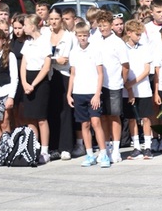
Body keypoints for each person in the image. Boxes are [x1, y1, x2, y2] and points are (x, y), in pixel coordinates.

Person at [66, 21, 108, 167]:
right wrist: (69, 93)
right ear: (76, 36)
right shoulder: (73, 52)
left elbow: (100, 74)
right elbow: (72, 74)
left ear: (89, 35)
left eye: (85, 35)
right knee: (84, 124)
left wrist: (97, 94)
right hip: (79, 92)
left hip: (92, 92)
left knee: (96, 122)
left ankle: (103, 154)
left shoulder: (95, 50)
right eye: (80, 35)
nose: (82, 38)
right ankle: (89, 154)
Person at [94, 10, 130, 166]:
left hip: (114, 84)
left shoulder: (118, 42)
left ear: (111, 25)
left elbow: (125, 65)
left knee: (115, 116)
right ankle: (106, 146)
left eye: (105, 25)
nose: (102, 28)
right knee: (103, 117)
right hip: (99, 85)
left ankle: (116, 148)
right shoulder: (96, 40)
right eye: (100, 25)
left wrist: (122, 80)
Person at [19, 14, 53, 164]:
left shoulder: (45, 42)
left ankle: (45, 151)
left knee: (41, 118)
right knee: (30, 117)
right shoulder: (28, 43)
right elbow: (23, 65)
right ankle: (34, 147)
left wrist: (33, 85)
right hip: (28, 80)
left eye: (25, 25)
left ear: (32, 26)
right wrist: (25, 83)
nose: (23, 28)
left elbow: (46, 67)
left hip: (40, 81)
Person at [122, 19, 156, 160]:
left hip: (143, 88)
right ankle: (136, 147)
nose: (139, 37)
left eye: (141, 34)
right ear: (129, 33)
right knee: (131, 119)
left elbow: (147, 70)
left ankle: (148, 146)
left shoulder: (144, 47)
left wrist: (133, 83)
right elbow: (123, 69)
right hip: (127, 89)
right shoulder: (122, 47)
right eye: (137, 34)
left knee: (146, 118)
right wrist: (128, 87)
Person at [45, 9, 75, 159]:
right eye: (51, 19)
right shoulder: (45, 35)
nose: (54, 21)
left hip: (64, 75)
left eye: (57, 18)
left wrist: (56, 61)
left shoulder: (69, 37)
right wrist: (55, 60)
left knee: (65, 111)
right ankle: (53, 146)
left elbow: (68, 59)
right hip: (49, 75)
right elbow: (44, 57)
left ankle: (66, 147)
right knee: (52, 110)